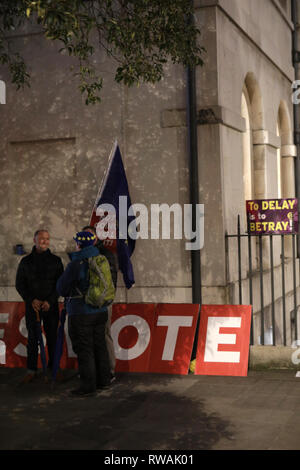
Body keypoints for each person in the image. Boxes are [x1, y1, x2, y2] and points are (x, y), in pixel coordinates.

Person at [56, 231, 111, 396]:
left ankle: (88, 386)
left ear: (79, 244)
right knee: (100, 346)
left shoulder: (76, 263)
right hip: (100, 310)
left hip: (81, 312)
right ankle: (104, 382)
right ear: (93, 243)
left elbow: (62, 288)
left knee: (84, 348)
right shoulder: (101, 259)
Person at [15, 229, 64, 383]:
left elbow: (60, 285)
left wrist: (50, 301)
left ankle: (53, 369)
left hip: (51, 307)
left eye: (47, 239)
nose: (45, 241)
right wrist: (31, 300)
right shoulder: (25, 262)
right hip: (33, 308)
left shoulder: (56, 261)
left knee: (52, 339)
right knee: (32, 339)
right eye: (42, 239)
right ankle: (31, 370)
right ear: (34, 240)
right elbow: (20, 284)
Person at [82, 224, 118, 381]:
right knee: (89, 337)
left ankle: (109, 370)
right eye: (85, 236)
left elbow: (110, 281)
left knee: (104, 335)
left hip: (102, 302)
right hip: (86, 302)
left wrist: (103, 300)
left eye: (90, 236)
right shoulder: (81, 254)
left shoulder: (106, 254)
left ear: (96, 237)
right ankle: (92, 370)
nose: (87, 239)